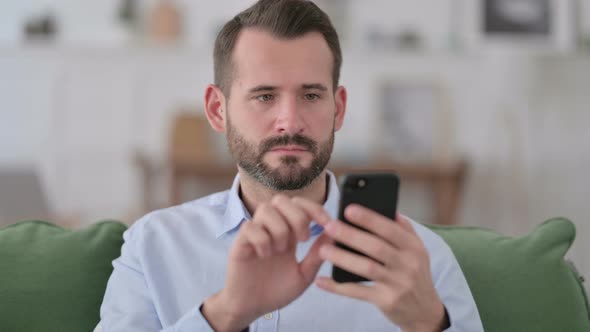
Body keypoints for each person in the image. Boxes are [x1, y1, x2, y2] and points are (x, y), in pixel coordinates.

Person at [99, 0, 483, 331]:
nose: (290, 121)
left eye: (311, 95)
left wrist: (429, 324)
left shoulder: (421, 261)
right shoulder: (151, 248)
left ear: (339, 108)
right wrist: (226, 312)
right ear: (219, 110)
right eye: (265, 96)